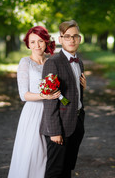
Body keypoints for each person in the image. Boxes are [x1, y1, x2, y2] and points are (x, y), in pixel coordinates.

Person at [8, 26, 61, 178]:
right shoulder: (25, 63)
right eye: (32, 42)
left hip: (50, 112)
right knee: (32, 152)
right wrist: (45, 95)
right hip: (33, 113)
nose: (37, 45)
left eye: (40, 41)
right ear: (28, 44)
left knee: (47, 155)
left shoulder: (51, 63)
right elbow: (23, 95)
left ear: (46, 42)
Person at [40, 20, 87, 178]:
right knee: (55, 171)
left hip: (75, 123)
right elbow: (49, 100)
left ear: (79, 39)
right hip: (59, 127)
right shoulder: (53, 63)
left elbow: (70, 94)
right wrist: (54, 131)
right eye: (67, 36)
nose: (72, 40)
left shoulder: (79, 62)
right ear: (60, 39)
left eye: (75, 36)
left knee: (67, 170)